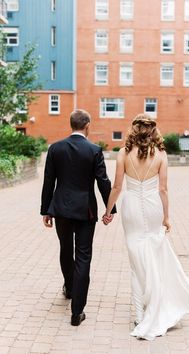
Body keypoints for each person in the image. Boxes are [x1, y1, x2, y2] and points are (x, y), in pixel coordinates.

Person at [102, 114, 189, 340]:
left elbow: (116, 186)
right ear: (153, 130)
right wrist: (166, 217)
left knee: (136, 260)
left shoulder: (123, 153)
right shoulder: (161, 155)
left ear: (134, 129)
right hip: (153, 206)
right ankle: (154, 302)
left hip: (132, 205)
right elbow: (163, 190)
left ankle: (139, 314)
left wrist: (107, 211)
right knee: (153, 254)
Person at [41, 109, 116, 326]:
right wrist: (109, 209)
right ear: (87, 125)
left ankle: (69, 288)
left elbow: (49, 182)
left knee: (66, 249)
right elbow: (104, 182)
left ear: (70, 124)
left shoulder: (55, 148)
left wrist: (46, 210)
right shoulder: (94, 150)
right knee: (83, 257)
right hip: (85, 211)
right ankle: (77, 312)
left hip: (61, 210)